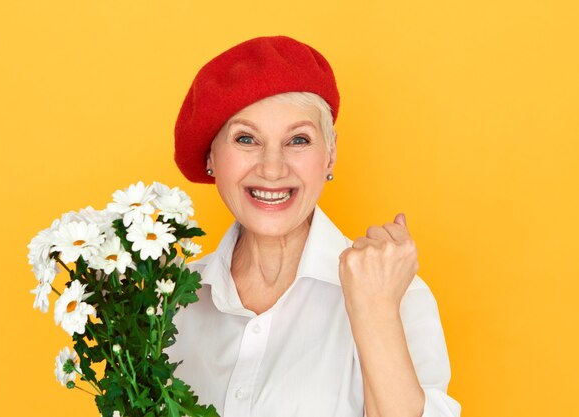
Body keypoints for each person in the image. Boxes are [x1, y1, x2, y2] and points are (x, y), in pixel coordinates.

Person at [167, 36, 461, 417]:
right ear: (211, 156)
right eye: (246, 139)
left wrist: (374, 312)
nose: (272, 169)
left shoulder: (396, 294)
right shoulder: (168, 302)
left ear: (331, 154)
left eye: (298, 140)